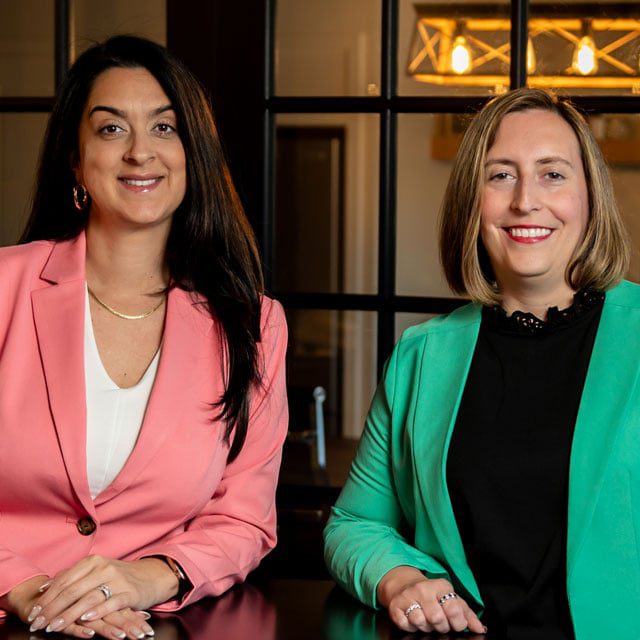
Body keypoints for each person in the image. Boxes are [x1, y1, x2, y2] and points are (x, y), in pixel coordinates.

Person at [0, 36, 288, 640]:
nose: (140, 152)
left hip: (153, 627)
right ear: (75, 159)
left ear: (192, 153)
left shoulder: (253, 324)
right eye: (111, 129)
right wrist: (23, 587)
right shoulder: (4, 287)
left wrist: (149, 577)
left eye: (164, 127)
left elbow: (245, 518)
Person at [324, 87, 637, 639]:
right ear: (473, 199)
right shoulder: (421, 356)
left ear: (590, 196)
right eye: (500, 175)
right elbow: (354, 524)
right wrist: (400, 578)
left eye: (553, 174)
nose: (525, 201)